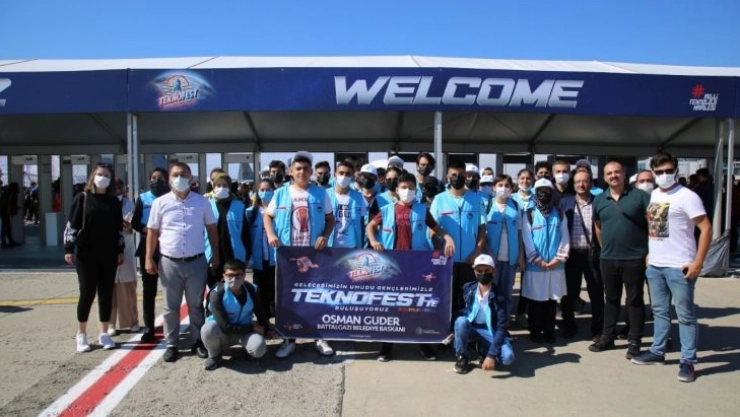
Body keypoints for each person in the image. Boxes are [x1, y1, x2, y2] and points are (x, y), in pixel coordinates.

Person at [631, 152, 712, 383]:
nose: (665, 175)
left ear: (676, 171)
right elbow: (655, 226)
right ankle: (658, 351)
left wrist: (698, 262)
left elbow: (706, 228)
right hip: (656, 265)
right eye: (659, 172)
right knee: (659, 311)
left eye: (669, 171)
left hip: (680, 266)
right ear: (653, 173)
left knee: (685, 315)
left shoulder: (688, 196)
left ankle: (688, 360)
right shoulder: (655, 194)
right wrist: (650, 254)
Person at [367, 172, 455, 361]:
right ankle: (387, 346)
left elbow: (437, 229)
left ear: (416, 190)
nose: (407, 191)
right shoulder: (387, 210)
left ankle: (423, 343)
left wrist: (447, 238)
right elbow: (370, 226)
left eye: (411, 188)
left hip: (416, 265)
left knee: (418, 306)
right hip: (392, 265)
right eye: (404, 188)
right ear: (397, 190)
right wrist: (373, 241)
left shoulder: (422, 210)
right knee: (390, 306)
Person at [264, 151, 336, 358]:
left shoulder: (321, 194)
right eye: (298, 168)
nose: (302, 172)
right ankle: (289, 338)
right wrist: (271, 234)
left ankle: (319, 337)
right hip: (288, 255)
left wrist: (324, 236)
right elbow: (268, 217)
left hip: (314, 255)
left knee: (316, 296)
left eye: (305, 168)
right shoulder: (280, 194)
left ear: (311, 171)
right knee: (288, 299)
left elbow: (331, 219)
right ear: (290, 171)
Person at [145, 162, 220, 363]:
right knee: (171, 306)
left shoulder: (202, 202)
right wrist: (148, 257)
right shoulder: (160, 203)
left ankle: (198, 341)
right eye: (176, 175)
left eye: (184, 174)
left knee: (196, 304)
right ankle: (172, 344)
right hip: (169, 262)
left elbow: (212, 230)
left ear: (191, 178)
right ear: (169, 179)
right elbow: (152, 232)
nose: (180, 178)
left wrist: (216, 255)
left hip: (196, 261)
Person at [589, 161, 650, 360]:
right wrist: (604, 248)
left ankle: (635, 341)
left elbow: (653, 224)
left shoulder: (640, 196)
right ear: (604, 177)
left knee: (635, 300)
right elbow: (598, 226)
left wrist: (650, 252)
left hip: (635, 258)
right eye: (609, 173)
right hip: (608, 258)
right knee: (611, 299)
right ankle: (608, 337)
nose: (613, 176)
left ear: (624, 174)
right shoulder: (600, 199)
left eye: (617, 172)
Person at [63, 164, 124, 352]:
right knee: (87, 292)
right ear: (92, 177)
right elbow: (72, 225)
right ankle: (81, 334)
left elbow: (118, 230)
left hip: (108, 253)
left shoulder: (114, 202)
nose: (102, 178)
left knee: (106, 293)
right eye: (99, 174)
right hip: (85, 254)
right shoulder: (82, 199)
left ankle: (104, 332)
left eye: (106, 175)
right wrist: (68, 248)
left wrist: (120, 250)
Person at [430, 160, 486, 339]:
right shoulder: (439, 200)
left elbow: (482, 229)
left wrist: (477, 252)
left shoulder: (476, 199)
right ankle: (445, 334)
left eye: (461, 175)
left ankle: (464, 336)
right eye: (453, 175)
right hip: (448, 262)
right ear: (447, 177)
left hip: (470, 261)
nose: (457, 178)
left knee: (468, 301)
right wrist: (440, 253)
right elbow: (432, 230)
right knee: (447, 300)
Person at [201, 259, 273, 370]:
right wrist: (253, 328)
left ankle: (246, 350)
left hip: (243, 331)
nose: (234, 279)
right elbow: (225, 327)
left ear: (244, 275)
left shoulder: (252, 289)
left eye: (238, 275)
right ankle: (215, 355)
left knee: (259, 349)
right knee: (207, 329)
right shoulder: (216, 293)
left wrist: (267, 329)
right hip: (222, 332)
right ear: (224, 276)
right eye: (230, 275)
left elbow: (260, 312)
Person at [521, 178, 569, 343]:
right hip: (536, 266)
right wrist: (537, 260)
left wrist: (558, 258)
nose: (544, 194)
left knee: (551, 301)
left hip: (555, 266)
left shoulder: (559, 213)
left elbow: (565, 237)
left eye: (547, 191)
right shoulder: (529, 214)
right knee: (535, 301)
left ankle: (549, 332)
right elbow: (527, 238)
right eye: (540, 191)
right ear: (535, 193)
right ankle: (535, 332)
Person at [558, 170, 604, 341]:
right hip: (571, 255)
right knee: (569, 293)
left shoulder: (599, 201)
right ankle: (569, 325)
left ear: (590, 183)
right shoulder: (565, 202)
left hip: (592, 254)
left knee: (596, 292)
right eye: (577, 182)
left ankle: (598, 329)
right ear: (573, 184)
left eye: (584, 181)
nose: (581, 184)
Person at [453, 254, 515, 374]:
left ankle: (484, 349)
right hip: (471, 327)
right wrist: (453, 330)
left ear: (494, 271)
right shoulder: (467, 288)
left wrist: (491, 355)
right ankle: (462, 356)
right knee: (461, 322)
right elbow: (459, 311)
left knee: (508, 358)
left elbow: (501, 327)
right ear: (475, 272)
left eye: (487, 270)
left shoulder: (499, 296)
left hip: (490, 330)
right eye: (479, 271)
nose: (483, 274)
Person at [131, 167, 170, 342]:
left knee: (170, 290)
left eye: (160, 178)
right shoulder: (143, 198)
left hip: (168, 247)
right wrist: (148, 229)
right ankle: (149, 327)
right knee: (149, 290)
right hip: (148, 247)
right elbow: (135, 222)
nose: (156, 181)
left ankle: (171, 326)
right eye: (153, 178)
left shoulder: (172, 197)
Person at [485, 174, 525, 322]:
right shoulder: (487, 205)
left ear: (511, 188)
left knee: (507, 293)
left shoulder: (516, 206)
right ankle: (490, 322)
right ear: (494, 187)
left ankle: (504, 322)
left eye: (507, 185)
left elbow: (520, 233)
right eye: (500, 185)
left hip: (510, 259)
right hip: (491, 259)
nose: (503, 188)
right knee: (490, 292)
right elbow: (482, 233)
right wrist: (488, 254)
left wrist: (521, 256)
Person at [205, 173, 250, 289]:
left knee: (234, 289)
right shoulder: (206, 205)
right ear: (213, 187)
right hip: (212, 257)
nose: (221, 188)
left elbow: (246, 234)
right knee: (214, 290)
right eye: (218, 185)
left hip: (234, 256)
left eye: (225, 185)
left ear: (230, 187)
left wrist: (247, 256)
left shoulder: (239, 206)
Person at [108, 178, 140, 336]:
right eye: (112, 187)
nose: (116, 190)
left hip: (126, 248)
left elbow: (130, 225)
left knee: (128, 287)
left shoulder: (128, 204)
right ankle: (110, 323)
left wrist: (123, 223)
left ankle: (133, 321)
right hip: (107, 249)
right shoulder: (104, 203)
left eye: (118, 187)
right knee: (109, 288)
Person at [246, 179, 277, 317]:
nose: (265, 193)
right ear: (257, 192)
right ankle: (263, 319)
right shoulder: (250, 213)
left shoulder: (279, 211)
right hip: (258, 259)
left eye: (268, 189)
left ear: (273, 191)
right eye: (262, 190)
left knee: (275, 290)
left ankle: (277, 318)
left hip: (275, 258)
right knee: (260, 290)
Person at [512, 168, 535, 327]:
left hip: (532, 246)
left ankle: (522, 313)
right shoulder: (511, 198)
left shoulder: (537, 198)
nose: (525, 181)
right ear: (517, 179)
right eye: (522, 178)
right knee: (509, 283)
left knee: (527, 283)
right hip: (513, 244)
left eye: (528, 179)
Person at [328, 160, 368, 250]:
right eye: (341, 173)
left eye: (348, 174)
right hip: (329, 246)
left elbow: (362, 224)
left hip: (351, 247)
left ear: (352, 176)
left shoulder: (359, 197)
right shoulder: (326, 195)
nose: (344, 176)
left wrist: (361, 247)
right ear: (335, 174)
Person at [0, 182, 20, 247]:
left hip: (4, 212)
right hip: (5, 212)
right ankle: (5, 242)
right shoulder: (12, 194)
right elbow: (9, 204)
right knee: (5, 227)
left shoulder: (6, 193)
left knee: (6, 227)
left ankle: (8, 241)